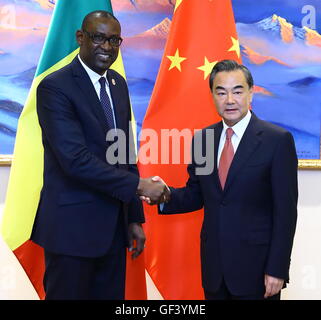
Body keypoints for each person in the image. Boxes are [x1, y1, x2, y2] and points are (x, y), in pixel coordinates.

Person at [31, 10, 167, 300]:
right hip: (71, 233)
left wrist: (133, 218)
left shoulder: (117, 85)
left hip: (113, 232)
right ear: (80, 38)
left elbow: (124, 154)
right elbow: (74, 160)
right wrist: (140, 187)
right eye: (98, 38)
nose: (107, 47)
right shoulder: (55, 87)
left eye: (114, 40)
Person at [148, 60, 298, 300]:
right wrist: (163, 194)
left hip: (257, 271)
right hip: (214, 271)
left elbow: (286, 213)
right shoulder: (203, 140)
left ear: (251, 93)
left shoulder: (277, 141)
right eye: (221, 92)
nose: (230, 100)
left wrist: (277, 269)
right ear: (212, 96)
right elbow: (196, 195)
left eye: (237, 91)